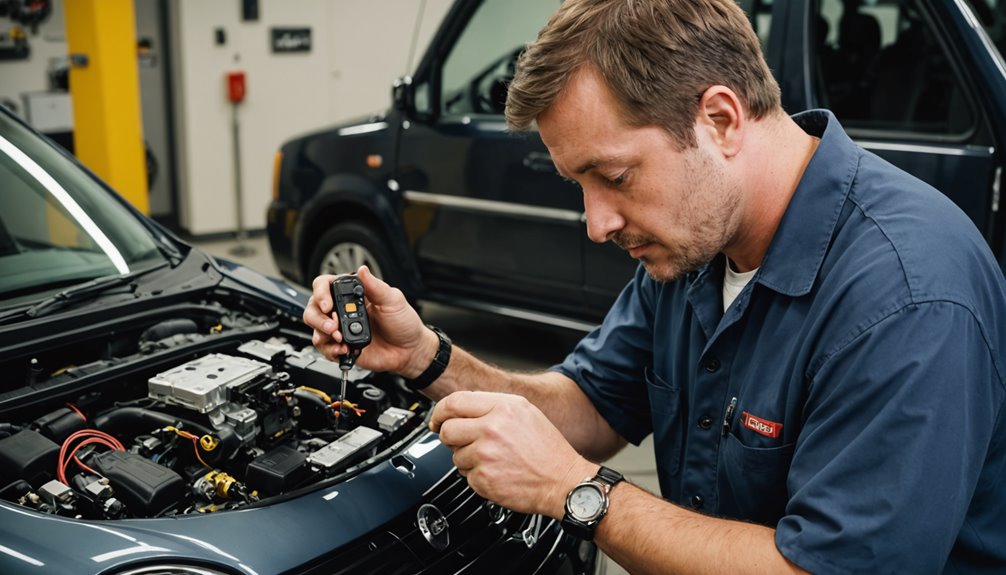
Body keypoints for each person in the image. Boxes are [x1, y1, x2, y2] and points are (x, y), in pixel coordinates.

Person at [303, 0, 1006, 572]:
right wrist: (427, 356)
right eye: (578, 184)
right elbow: (589, 407)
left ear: (721, 120)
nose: (596, 223)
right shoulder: (691, 250)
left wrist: (574, 489)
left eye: (613, 177)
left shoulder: (906, 297)